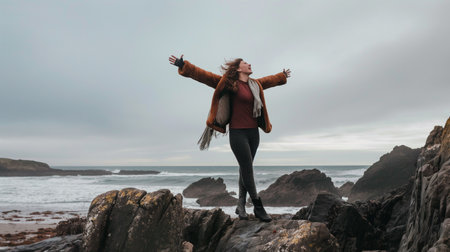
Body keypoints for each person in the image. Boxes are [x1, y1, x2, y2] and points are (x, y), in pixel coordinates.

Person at [169, 54, 291, 222]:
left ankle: (240, 205)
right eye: (246, 63)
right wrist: (184, 65)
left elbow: (269, 81)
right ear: (238, 68)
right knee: (247, 169)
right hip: (237, 133)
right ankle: (257, 205)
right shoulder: (228, 83)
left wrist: (282, 76)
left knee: (244, 169)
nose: (249, 64)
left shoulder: (255, 85)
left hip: (253, 133)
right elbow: (204, 76)